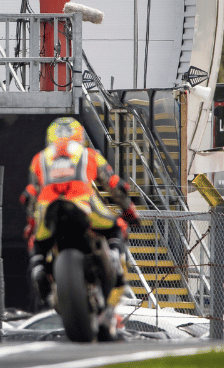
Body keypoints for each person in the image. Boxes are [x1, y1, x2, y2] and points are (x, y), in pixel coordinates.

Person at [20, 117, 140, 310]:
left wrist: (31, 224)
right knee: (117, 226)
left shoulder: (39, 159)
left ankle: (38, 268)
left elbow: (30, 195)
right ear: (80, 136)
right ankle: (116, 258)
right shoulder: (88, 154)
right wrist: (129, 211)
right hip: (83, 203)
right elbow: (114, 185)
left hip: (47, 208)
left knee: (37, 242)